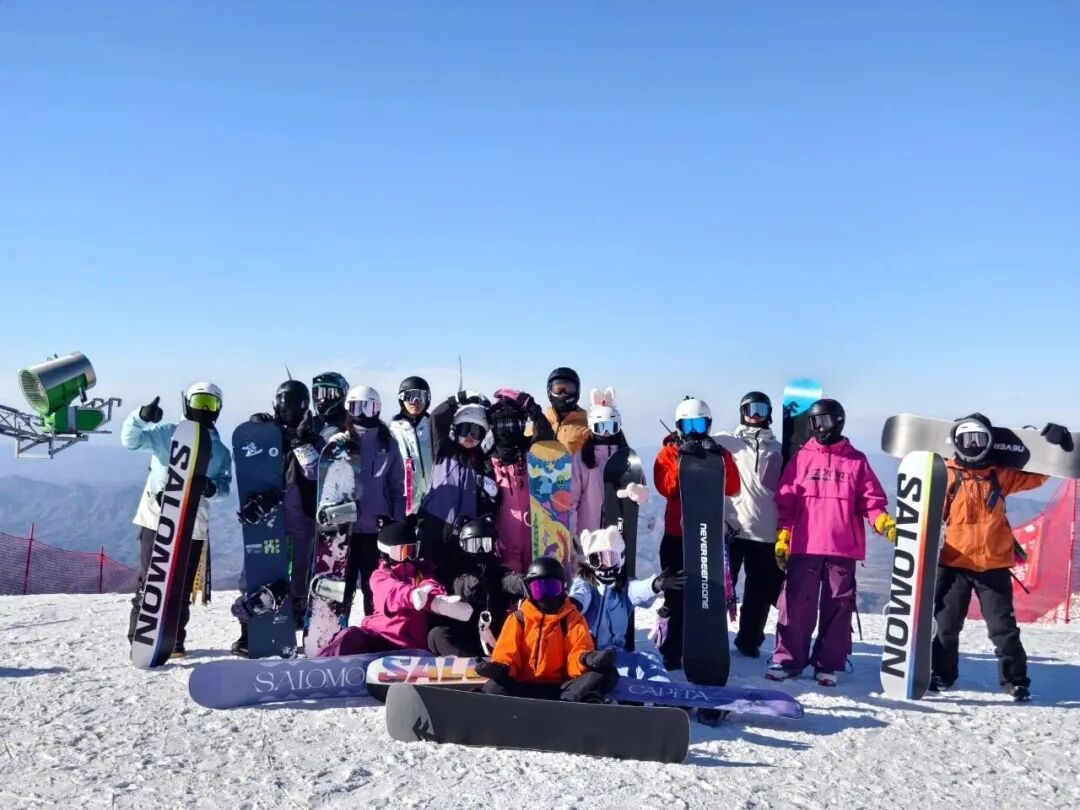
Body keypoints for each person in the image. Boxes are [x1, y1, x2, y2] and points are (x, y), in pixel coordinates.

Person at [930, 414, 1069, 702]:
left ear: (989, 442)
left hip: (993, 565)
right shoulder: (948, 474)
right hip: (954, 564)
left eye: (978, 439)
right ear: (956, 442)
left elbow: (1036, 477)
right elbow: (929, 510)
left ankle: (1015, 681)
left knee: (1003, 629)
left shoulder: (998, 475)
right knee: (945, 627)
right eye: (966, 440)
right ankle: (942, 674)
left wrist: (1050, 447)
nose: (972, 446)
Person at [769, 398, 895, 686]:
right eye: (813, 422)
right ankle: (787, 660)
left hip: (842, 547)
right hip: (805, 544)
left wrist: (883, 522)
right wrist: (783, 535)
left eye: (823, 421)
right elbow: (787, 503)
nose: (818, 427)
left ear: (838, 422)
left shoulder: (856, 460)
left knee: (838, 606)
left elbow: (871, 501)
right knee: (796, 604)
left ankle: (828, 663)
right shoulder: (802, 458)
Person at [122, 384, 233, 658]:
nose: (204, 409)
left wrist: (211, 488)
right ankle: (140, 637)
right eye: (200, 401)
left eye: (211, 403)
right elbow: (131, 440)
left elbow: (225, 488)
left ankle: (174, 639)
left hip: (194, 524)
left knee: (182, 585)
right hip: (155, 518)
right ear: (187, 403)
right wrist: (141, 417)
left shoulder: (220, 451)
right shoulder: (166, 433)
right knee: (152, 579)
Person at [232, 380, 320, 656]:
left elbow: (315, 472)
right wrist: (257, 432)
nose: (288, 408)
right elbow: (249, 466)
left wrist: (302, 443)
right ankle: (249, 632)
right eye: (284, 401)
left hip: (300, 518)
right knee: (256, 571)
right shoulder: (269, 434)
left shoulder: (313, 437)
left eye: (294, 403)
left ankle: (291, 628)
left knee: (297, 578)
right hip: (266, 518)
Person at [652, 397, 740, 671]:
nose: (693, 431)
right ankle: (672, 649)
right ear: (678, 426)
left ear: (708, 425)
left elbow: (733, 487)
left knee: (706, 594)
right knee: (675, 594)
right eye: (688, 425)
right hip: (677, 535)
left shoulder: (718, 453)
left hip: (706, 536)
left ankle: (705, 644)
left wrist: (718, 459)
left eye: (699, 425)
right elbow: (665, 488)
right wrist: (682, 460)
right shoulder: (667, 453)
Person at [316, 520, 472, 656]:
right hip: (380, 638)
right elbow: (392, 592)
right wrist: (411, 596)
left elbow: (430, 585)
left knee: (442, 635)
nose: (408, 557)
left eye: (412, 551)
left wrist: (439, 602)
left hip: (412, 647)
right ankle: (321, 665)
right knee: (350, 636)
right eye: (402, 552)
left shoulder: (421, 572)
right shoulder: (380, 576)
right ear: (386, 552)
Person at [477, 556, 618, 702]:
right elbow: (507, 654)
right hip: (523, 688)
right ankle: (487, 707)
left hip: (561, 689)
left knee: (607, 673)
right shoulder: (519, 619)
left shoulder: (572, 618)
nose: (546, 596)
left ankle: (576, 704)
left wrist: (586, 659)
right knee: (494, 686)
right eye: (538, 589)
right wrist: (500, 668)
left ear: (562, 588)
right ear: (529, 591)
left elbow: (576, 652)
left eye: (552, 588)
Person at [713, 391, 784, 658]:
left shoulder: (779, 450)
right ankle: (712, 634)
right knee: (720, 588)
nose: (754, 415)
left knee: (759, 592)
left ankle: (749, 640)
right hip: (730, 529)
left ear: (769, 414)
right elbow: (694, 441)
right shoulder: (726, 441)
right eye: (750, 409)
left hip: (765, 533)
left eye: (761, 409)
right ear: (741, 412)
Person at [569, 526, 678, 680]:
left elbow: (637, 590)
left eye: (610, 558)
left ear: (620, 559)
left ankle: (661, 691)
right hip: (584, 657)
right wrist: (575, 604)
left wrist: (655, 584)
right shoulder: (585, 583)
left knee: (648, 661)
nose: (604, 565)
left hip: (612, 656)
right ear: (589, 562)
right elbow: (580, 595)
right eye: (596, 559)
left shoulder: (623, 588)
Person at [418, 391, 498, 582]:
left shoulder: (483, 462)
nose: (470, 435)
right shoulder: (443, 450)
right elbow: (437, 418)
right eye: (466, 429)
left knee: (456, 577)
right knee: (428, 575)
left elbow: (489, 502)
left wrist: (491, 500)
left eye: (476, 431)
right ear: (456, 429)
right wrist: (457, 399)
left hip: (464, 531)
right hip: (435, 524)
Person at [343, 384, 406, 618]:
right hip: (345, 530)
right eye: (356, 407)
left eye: (368, 408)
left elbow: (397, 487)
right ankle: (336, 629)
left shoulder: (387, 443)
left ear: (377, 410)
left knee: (374, 588)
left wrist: (397, 525)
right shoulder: (340, 441)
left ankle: (375, 628)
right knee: (343, 588)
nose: (362, 414)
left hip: (376, 530)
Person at [427, 518, 527, 657]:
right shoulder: (452, 570)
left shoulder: (496, 572)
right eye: (474, 545)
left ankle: (500, 659)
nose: (480, 550)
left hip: (492, 634)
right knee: (436, 635)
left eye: (485, 544)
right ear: (463, 546)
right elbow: (456, 583)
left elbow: (507, 580)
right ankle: (468, 661)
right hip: (462, 635)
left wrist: (524, 583)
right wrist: (471, 585)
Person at [488, 388, 554, 573]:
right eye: (502, 425)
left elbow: (547, 438)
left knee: (536, 581)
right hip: (505, 544)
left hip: (536, 540)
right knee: (512, 585)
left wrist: (531, 407)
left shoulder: (532, 452)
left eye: (514, 423)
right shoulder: (488, 460)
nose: (508, 430)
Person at [570, 387, 649, 536]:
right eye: (600, 427)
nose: (606, 433)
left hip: (618, 532)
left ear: (618, 426)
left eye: (611, 427)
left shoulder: (628, 458)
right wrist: (572, 534)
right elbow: (571, 500)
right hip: (589, 536)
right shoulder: (581, 459)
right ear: (592, 427)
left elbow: (642, 490)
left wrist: (639, 492)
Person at [389, 375, 435, 515]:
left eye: (421, 396)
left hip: (433, 497)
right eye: (410, 396)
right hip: (407, 501)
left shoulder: (433, 427)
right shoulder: (393, 431)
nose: (415, 402)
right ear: (401, 398)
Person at [541, 367, 590, 454]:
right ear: (549, 390)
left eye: (568, 389)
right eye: (558, 389)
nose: (563, 393)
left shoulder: (588, 428)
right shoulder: (539, 425)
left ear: (577, 391)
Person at [311, 371, 351, 440]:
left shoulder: (350, 426)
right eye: (319, 394)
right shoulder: (311, 424)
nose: (323, 400)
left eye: (330, 394)